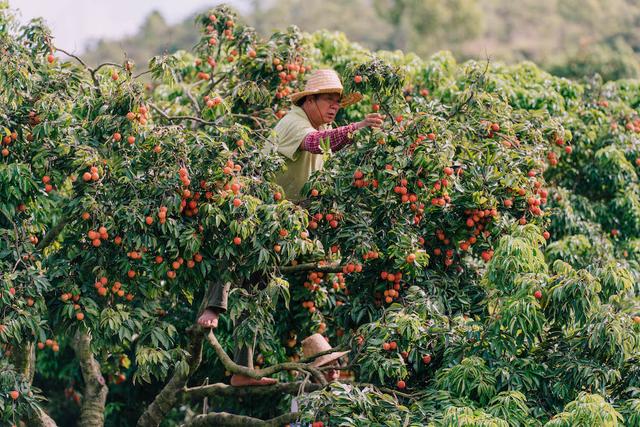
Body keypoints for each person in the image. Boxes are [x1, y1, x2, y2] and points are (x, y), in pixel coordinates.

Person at [197, 69, 381, 386]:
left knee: (257, 294)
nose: (334, 106)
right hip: (259, 207)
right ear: (308, 100)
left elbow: (331, 149)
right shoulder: (295, 122)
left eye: (338, 101)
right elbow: (315, 144)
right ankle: (212, 308)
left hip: (287, 222)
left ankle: (242, 372)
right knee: (232, 253)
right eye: (327, 99)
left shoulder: (323, 126)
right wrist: (359, 128)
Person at [289, 333, 349, 425]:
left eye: (335, 365)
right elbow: (296, 425)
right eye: (326, 368)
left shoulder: (347, 392)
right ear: (313, 373)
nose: (333, 371)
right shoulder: (300, 400)